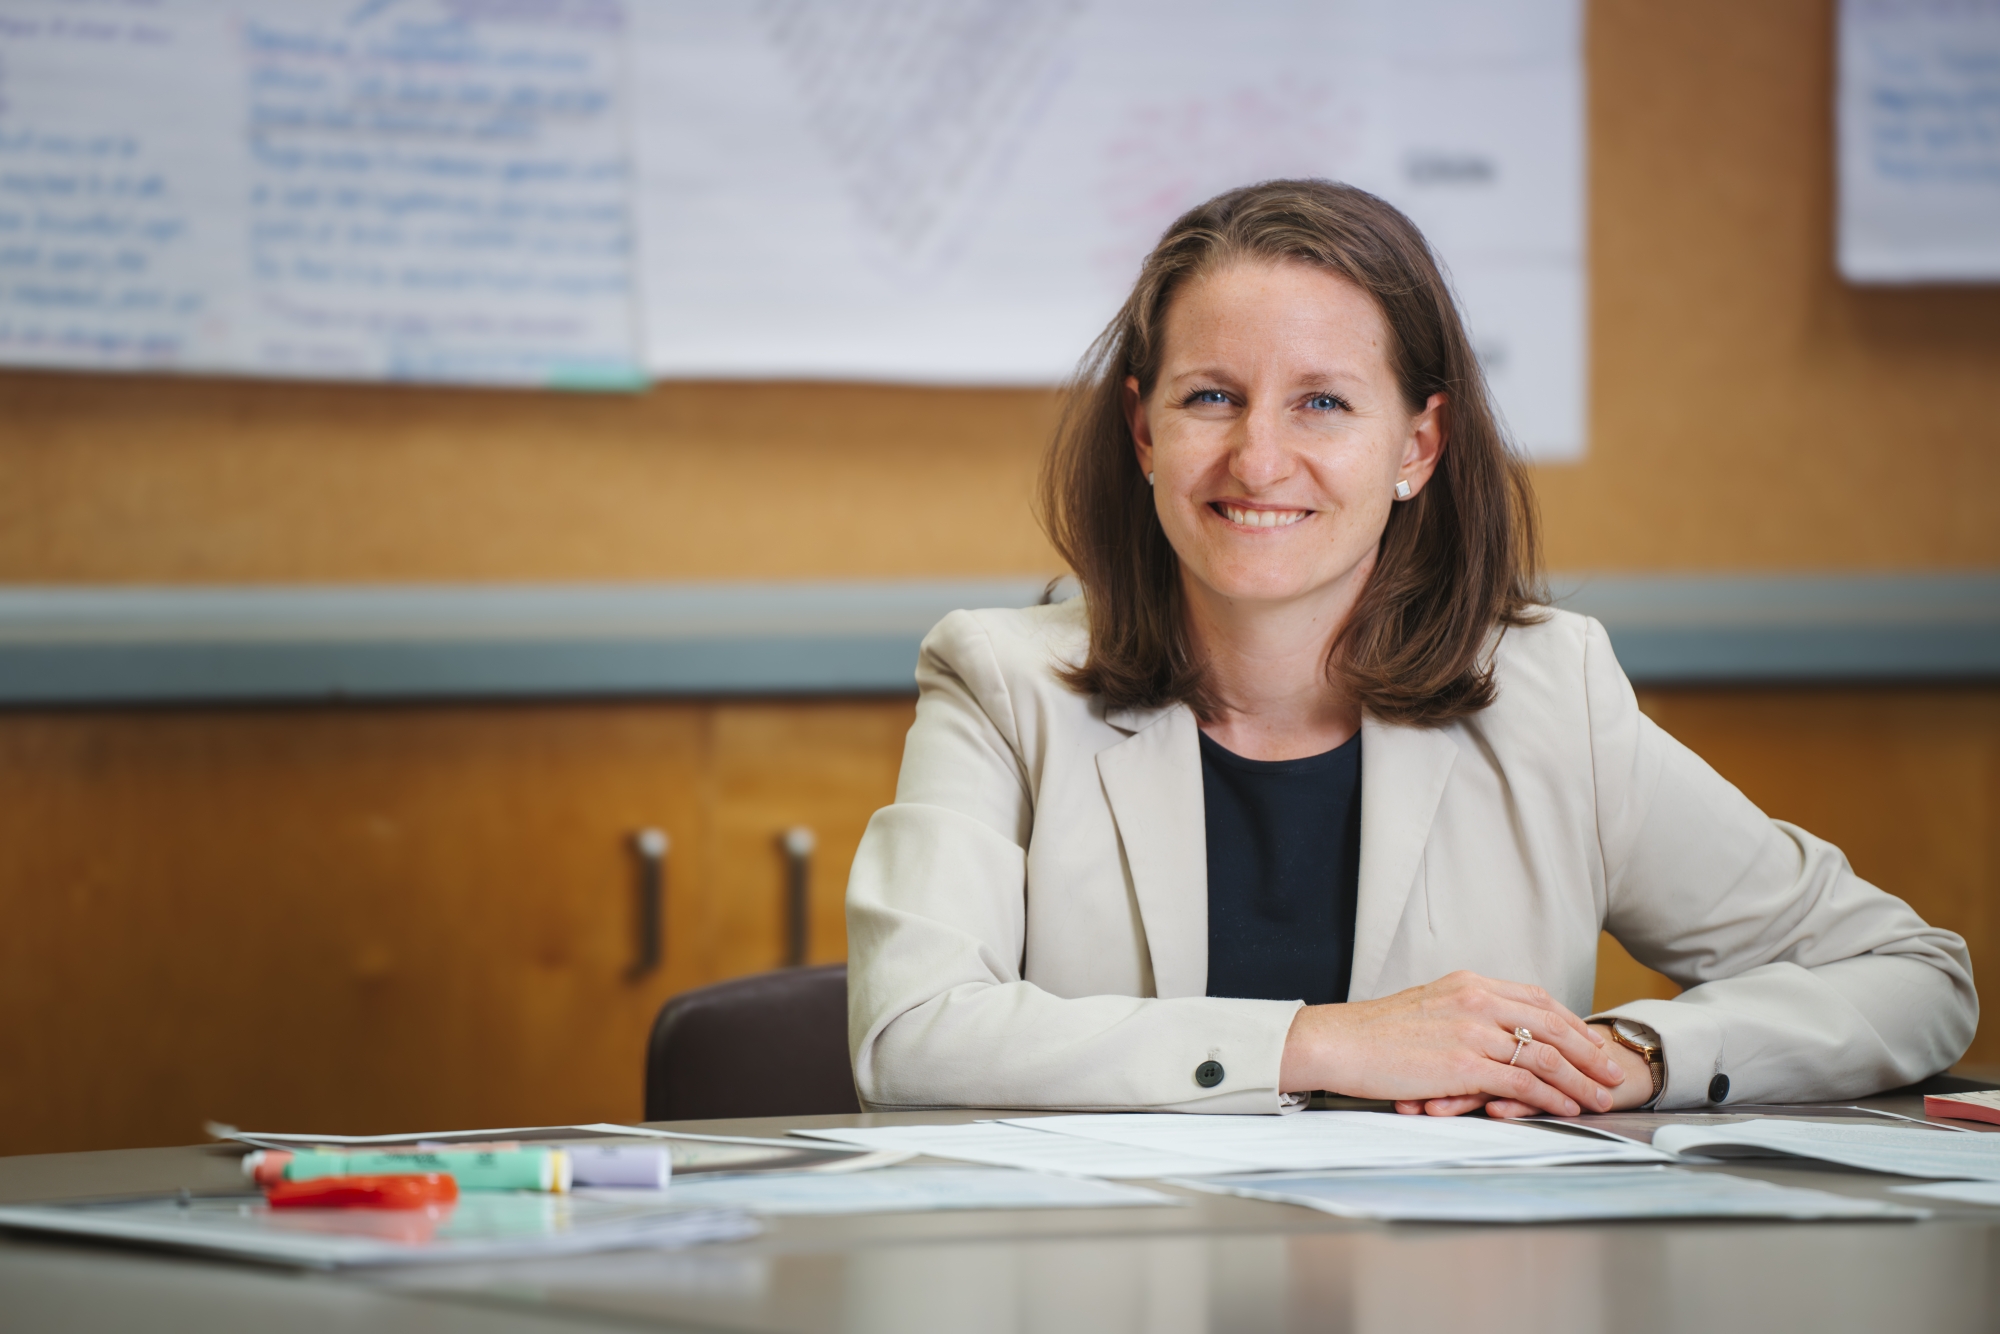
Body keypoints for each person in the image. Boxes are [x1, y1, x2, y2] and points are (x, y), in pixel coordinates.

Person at [844, 179, 1976, 1117]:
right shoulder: (1003, 682)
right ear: (1143, 430)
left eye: (1323, 403)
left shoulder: (1545, 691)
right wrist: (1321, 1042)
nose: (1257, 457)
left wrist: (1640, 1051)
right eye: (1211, 397)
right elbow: (910, 1034)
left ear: (1416, 444)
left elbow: (1910, 978)